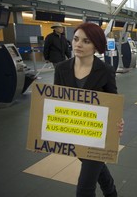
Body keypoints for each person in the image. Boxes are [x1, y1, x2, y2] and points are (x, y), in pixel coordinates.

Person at [54, 22, 124, 197]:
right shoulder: (61, 69)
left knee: (85, 187)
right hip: (74, 131)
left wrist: (118, 120)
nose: (78, 44)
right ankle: (111, 192)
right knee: (98, 170)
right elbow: (57, 101)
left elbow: (112, 100)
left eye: (86, 41)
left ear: (96, 46)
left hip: (99, 135)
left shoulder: (106, 70)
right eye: (76, 39)